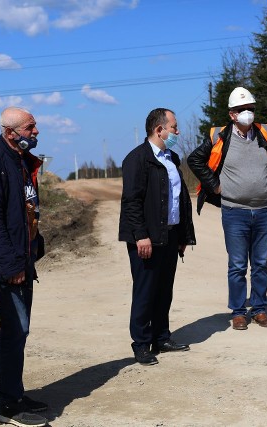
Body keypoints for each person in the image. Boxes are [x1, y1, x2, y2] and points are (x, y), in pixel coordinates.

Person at [188, 87, 267, 331]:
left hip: (265, 210)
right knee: (237, 265)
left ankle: (259, 309)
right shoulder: (220, 137)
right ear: (232, 114)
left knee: (261, 263)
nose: (248, 113)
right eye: (242, 110)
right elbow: (195, 160)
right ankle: (238, 312)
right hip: (235, 212)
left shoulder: (266, 133)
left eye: (251, 109)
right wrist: (214, 186)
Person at [0, 107, 48, 427]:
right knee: (16, 329)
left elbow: (26, 210)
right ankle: (8, 405)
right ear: (10, 132)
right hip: (7, 264)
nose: (36, 132)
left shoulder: (19, 161)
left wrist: (34, 246)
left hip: (22, 259)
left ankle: (14, 393)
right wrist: (10, 262)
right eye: (31, 127)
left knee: (20, 330)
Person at [119, 108, 196, 366]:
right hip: (147, 239)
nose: (177, 132)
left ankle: (161, 337)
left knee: (164, 290)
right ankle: (141, 344)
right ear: (159, 129)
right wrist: (141, 236)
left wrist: (184, 234)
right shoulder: (137, 159)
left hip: (169, 235)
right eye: (174, 127)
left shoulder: (172, 157)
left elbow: (180, 199)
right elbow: (131, 202)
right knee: (145, 292)